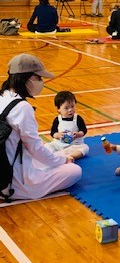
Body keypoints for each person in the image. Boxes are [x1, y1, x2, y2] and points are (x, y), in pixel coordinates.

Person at [0, 53, 81, 201]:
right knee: (74, 171)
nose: (41, 82)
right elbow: (35, 149)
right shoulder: (22, 107)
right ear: (26, 78)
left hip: (5, 168)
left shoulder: (2, 97)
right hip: (12, 183)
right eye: (38, 78)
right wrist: (63, 160)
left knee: (49, 151)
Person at [47, 90, 89, 160]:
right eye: (66, 108)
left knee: (85, 148)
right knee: (47, 146)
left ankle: (70, 156)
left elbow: (84, 130)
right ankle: (54, 155)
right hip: (58, 145)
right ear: (58, 109)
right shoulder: (58, 119)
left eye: (72, 106)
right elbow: (53, 132)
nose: (70, 110)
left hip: (74, 146)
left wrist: (78, 134)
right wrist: (58, 135)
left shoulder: (77, 118)